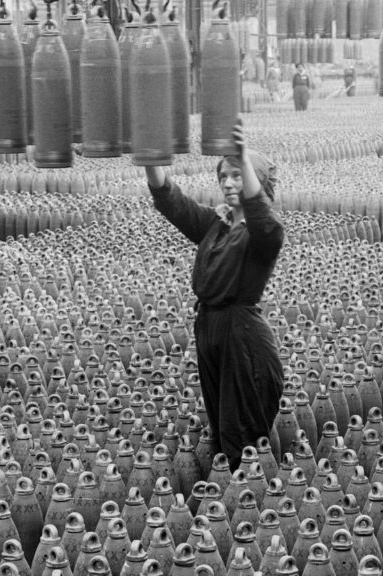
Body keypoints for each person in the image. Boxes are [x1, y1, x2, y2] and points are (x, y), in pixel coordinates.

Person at [144, 120, 284, 471]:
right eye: (223, 176)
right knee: (222, 428)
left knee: (242, 434)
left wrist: (243, 157)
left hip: (243, 337)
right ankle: (233, 491)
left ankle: (249, 494)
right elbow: (172, 202)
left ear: (256, 180)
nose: (228, 183)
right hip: (210, 329)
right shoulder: (215, 225)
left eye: (237, 175)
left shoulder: (265, 233)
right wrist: (148, 156)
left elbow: (261, 215)